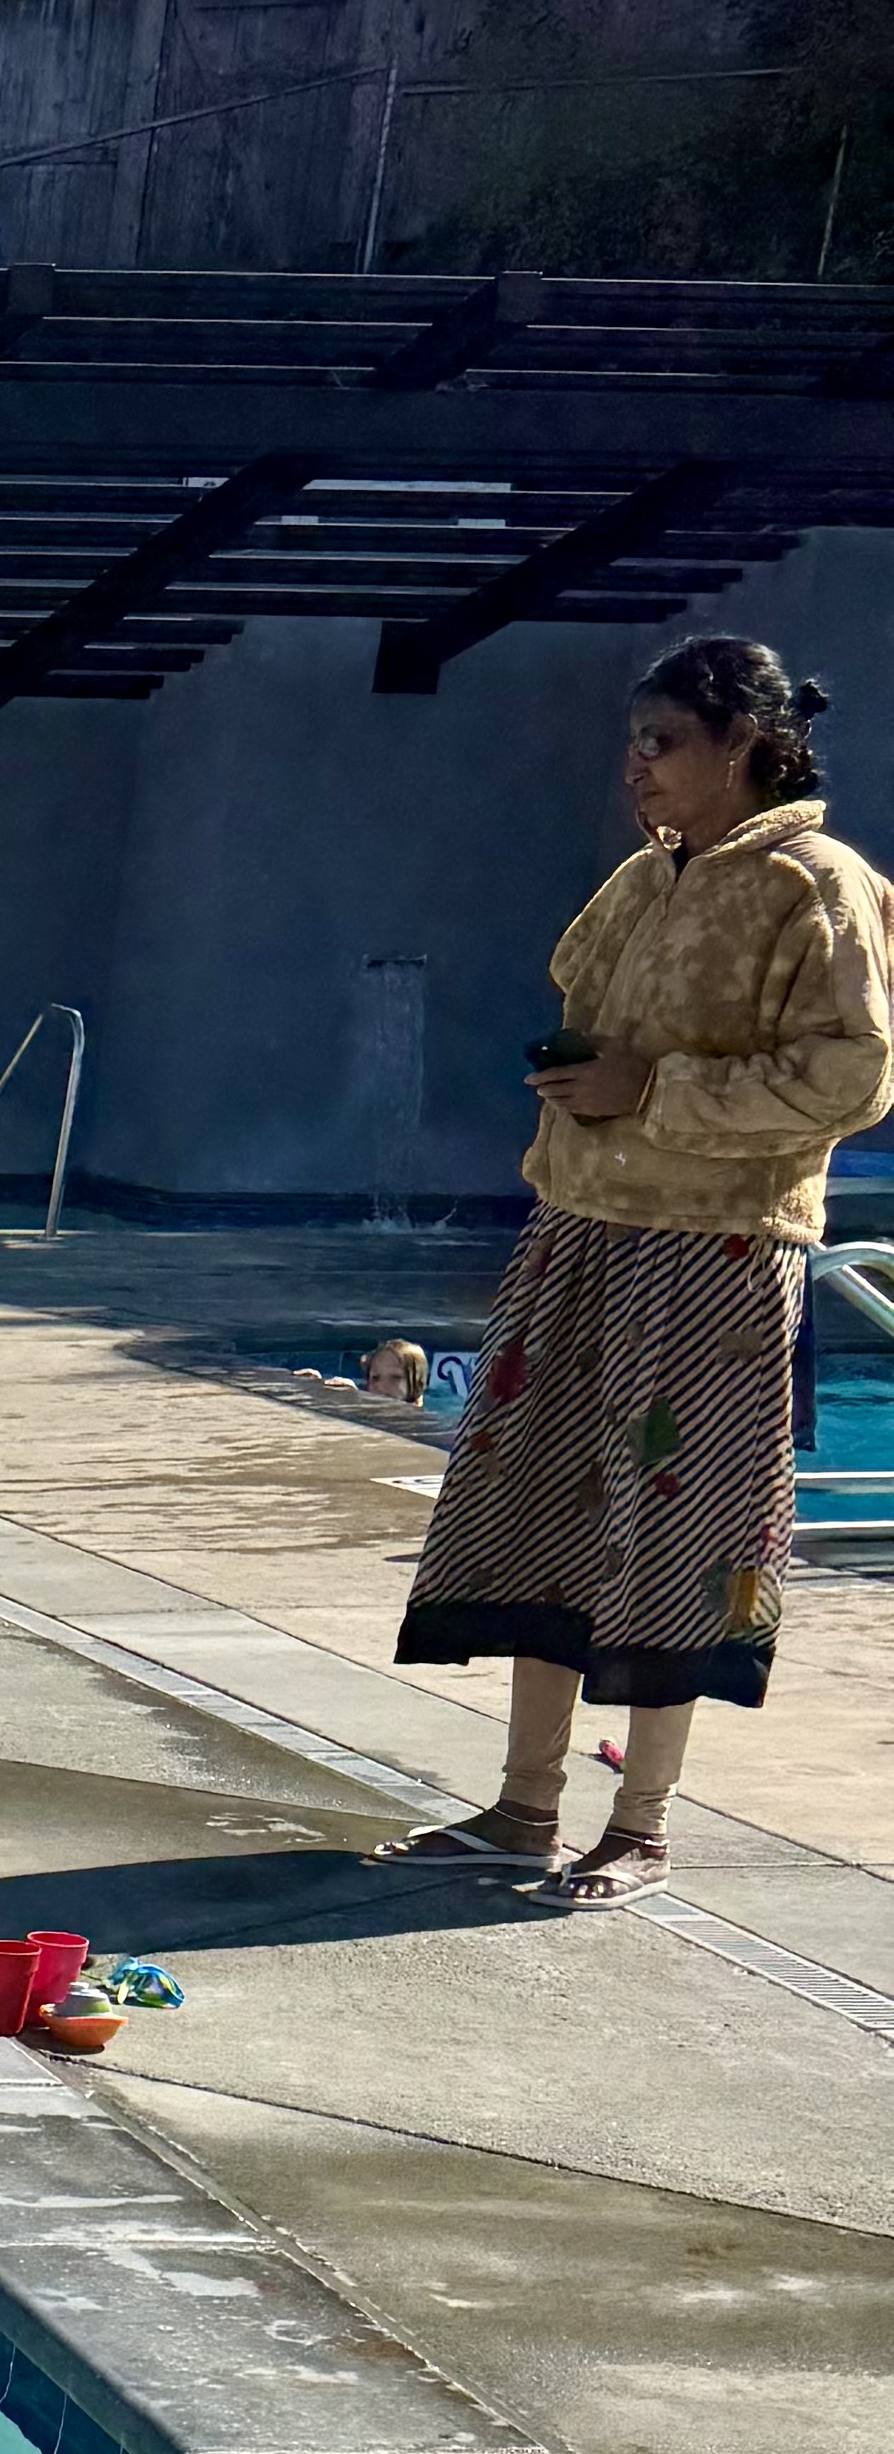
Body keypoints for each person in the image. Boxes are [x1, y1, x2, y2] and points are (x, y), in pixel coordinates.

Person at [385, 636, 894, 1906]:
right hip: (582, 1231)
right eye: (635, 741)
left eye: (665, 741)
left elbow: (855, 1077)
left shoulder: (819, 886)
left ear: (746, 748)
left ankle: (643, 1823)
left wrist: (651, 1092)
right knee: (540, 1510)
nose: (638, 767)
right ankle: (523, 1806)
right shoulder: (639, 880)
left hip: (715, 1253)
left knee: (676, 1531)